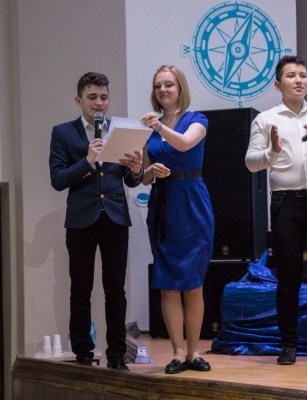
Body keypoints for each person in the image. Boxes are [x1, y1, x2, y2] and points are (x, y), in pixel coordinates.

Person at [245, 55, 307, 365]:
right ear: (278, 84)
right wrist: (272, 152)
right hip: (285, 203)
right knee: (289, 276)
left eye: (303, 75)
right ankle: (288, 345)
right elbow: (251, 162)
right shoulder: (266, 119)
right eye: (291, 76)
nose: (299, 80)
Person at [49, 72, 144, 370]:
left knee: (116, 290)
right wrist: (87, 161)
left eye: (103, 97)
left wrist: (137, 169)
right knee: (81, 289)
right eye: (92, 97)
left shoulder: (121, 130)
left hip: (115, 217)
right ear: (79, 100)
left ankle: (116, 353)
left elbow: (131, 179)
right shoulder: (63, 132)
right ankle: (83, 353)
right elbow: (58, 179)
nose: (99, 103)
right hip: (81, 220)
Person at [140, 65, 214, 374]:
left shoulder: (197, 120)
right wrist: (148, 171)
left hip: (192, 202)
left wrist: (159, 127)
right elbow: (143, 178)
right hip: (162, 203)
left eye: (169, 84)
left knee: (193, 284)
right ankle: (178, 353)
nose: (163, 90)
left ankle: (195, 352)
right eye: (158, 85)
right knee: (168, 284)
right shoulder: (149, 129)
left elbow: (184, 143)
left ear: (180, 87)